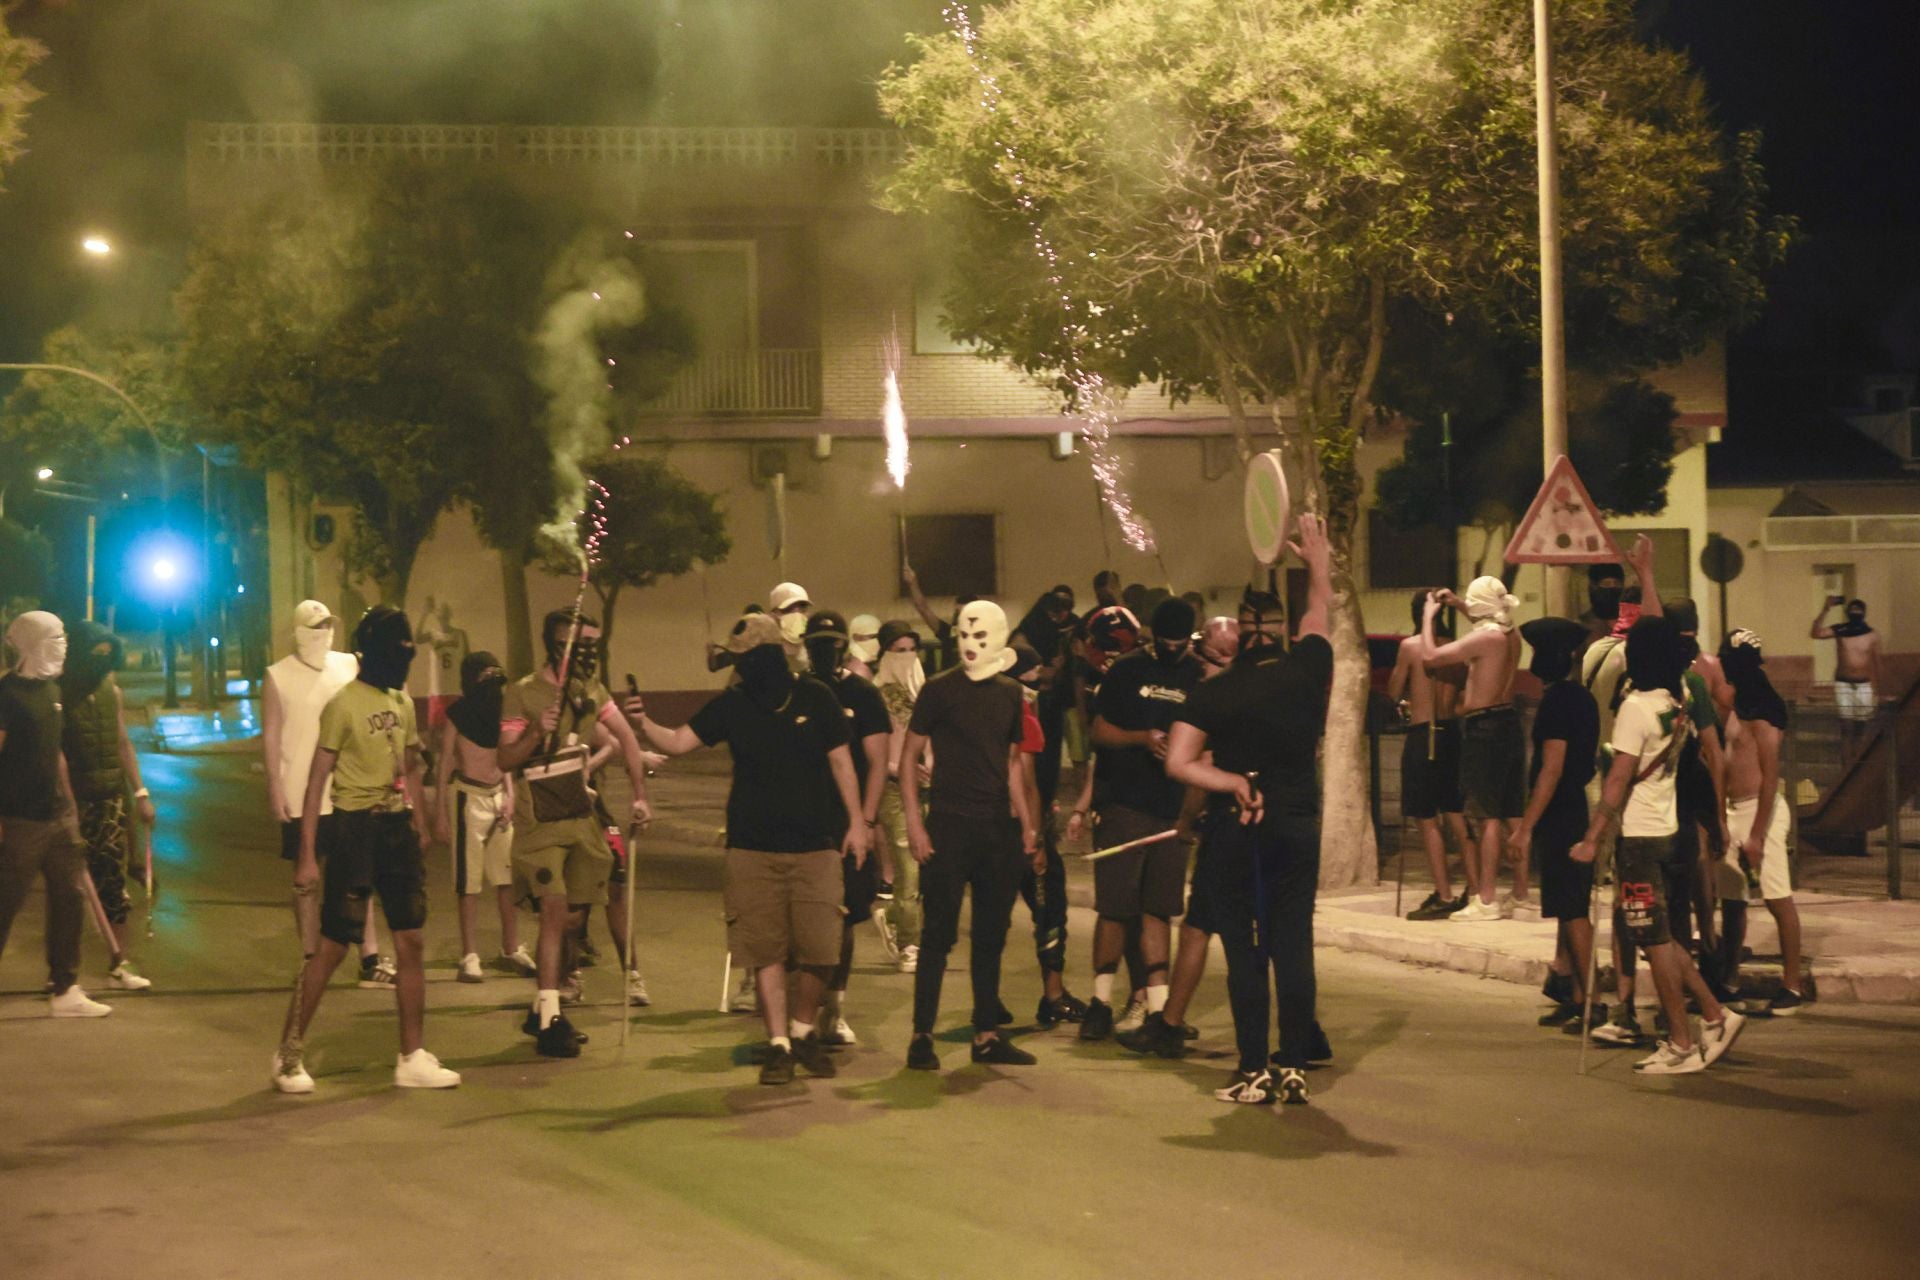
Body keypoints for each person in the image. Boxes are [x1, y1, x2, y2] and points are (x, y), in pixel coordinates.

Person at [627, 613, 868, 1085]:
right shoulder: (733, 704)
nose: (738, 667)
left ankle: (803, 1031)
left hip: (816, 844)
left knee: (823, 948)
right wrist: (641, 722)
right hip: (751, 848)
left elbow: (842, 762)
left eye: (744, 658)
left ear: (769, 655)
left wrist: (857, 822)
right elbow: (678, 743)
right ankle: (780, 1043)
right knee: (765, 950)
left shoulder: (815, 697)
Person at [1162, 516, 1334, 1105]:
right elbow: (1321, 611)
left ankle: (1253, 1068)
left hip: (1242, 827)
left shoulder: (1214, 691)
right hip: (1299, 823)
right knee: (1294, 945)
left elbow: (1180, 763)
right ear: (1282, 629)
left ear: (1237, 632)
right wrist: (1316, 563)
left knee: (1245, 950)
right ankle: (1294, 1068)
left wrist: (1230, 778)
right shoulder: (1311, 668)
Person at [272, 606, 459, 1092]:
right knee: (333, 948)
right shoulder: (342, 703)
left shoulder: (402, 702)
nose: (403, 661)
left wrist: (420, 822)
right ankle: (288, 1055)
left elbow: (411, 767)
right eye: (397, 652)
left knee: (411, 940)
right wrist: (309, 854)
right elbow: (317, 782)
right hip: (355, 829)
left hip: (395, 829)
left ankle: (411, 1056)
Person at [1570, 616, 1746, 1075]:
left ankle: (1682, 1041)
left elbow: (1618, 779)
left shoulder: (1635, 709)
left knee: (1655, 941)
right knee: (1663, 937)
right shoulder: (1679, 699)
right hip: (1673, 833)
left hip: (1641, 839)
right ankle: (1713, 1015)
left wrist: (1592, 839)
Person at [497, 608, 653, 1059]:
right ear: (556, 645)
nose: (589, 653)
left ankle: (540, 1005)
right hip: (539, 818)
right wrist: (534, 732)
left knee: (573, 919)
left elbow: (625, 738)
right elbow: (505, 760)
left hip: (580, 816)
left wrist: (639, 795)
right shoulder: (522, 694)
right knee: (553, 910)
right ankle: (550, 1019)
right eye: (579, 644)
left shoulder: (592, 690)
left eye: (594, 645)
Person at [898, 599, 1044, 1071]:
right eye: (964, 636)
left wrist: (1026, 825)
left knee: (990, 935)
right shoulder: (939, 690)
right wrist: (916, 825)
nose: (970, 646)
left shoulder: (1010, 695)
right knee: (938, 934)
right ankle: (922, 1034)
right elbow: (907, 761)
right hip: (948, 825)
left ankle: (986, 1033)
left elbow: (1013, 765)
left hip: (995, 831)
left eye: (980, 637)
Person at [1077, 598, 1203, 1042]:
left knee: (1159, 910)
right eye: (1165, 641)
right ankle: (1100, 1003)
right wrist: (1141, 738)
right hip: (1124, 804)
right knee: (1114, 909)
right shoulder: (1127, 670)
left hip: (1171, 810)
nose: (1173, 649)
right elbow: (1098, 732)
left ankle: (1156, 1008)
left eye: (1181, 642)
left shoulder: (1198, 675)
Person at [263, 600, 394, 986]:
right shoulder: (278, 676)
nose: (324, 632)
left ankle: (369, 956)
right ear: (300, 631)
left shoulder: (349, 665)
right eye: (316, 626)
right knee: (307, 878)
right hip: (301, 790)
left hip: (350, 789)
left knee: (359, 874)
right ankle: (309, 956)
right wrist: (274, 785)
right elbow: (271, 736)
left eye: (328, 624)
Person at [0, 612, 113, 1018]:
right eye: (55, 637)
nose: (63, 645)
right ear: (31, 643)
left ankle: (65, 988)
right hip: (19, 821)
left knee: (70, 898)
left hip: (58, 818)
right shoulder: (7, 695)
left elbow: (56, 755)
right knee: (5, 903)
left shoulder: (53, 691)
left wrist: (70, 807)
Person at [802, 610, 892, 1045]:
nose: (825, 652)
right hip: (803, 818)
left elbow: (877, 762)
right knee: (800, 918)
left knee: (845, 919)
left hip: (847, 822)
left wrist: (868, 819)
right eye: (816, 644)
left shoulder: (863, 694)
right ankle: (798, 1009)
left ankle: (835, 1008)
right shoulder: (796, 692)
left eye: (832, 644)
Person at [59, 620, 159, 990]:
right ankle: (63, 973)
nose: (102, 661)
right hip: (74, 804)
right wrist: (67, 806)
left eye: (107, 654)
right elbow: (57, 756)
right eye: (95, 654)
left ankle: (120, 963)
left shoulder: (110, 692)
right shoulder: (60, 694)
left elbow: (122, 743)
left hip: (111, 802)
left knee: (113, 886)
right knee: (68, 889)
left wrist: (140, 793)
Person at [1510, 617, 1600, 1027]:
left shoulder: (1556, 703)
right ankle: (1576, 994)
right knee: (1567, 905)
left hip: (1560, 813)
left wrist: (1526, 827)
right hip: (1573, 807)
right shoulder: (1580, 697)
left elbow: (1551, 767)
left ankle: (1592, 999)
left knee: (1575, 907)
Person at [1420, 576, 1526, 920]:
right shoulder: (1511, 635)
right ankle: (1521, 892)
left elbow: (1432, 656)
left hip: (1485, 728)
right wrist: (1458, 604)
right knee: (1513, 812)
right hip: (1510, 721)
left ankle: (1487, 898)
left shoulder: (1485, 639)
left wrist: (1428, 616)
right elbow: (1486, 620)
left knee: (1487, 816)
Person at [1716, 629, 1805, 1014]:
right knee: (1733, 903)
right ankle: (1727, 980)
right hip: (1735, 810)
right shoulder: (1736, 704)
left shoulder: (1766, 711)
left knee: (1776, 898)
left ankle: (1792, 986)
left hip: (1761, 813)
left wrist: (1756, 835)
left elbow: (1770, 777)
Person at [433, 652, 524, 984]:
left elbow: (507, 756)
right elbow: (444, 761)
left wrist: (510, 794)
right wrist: (440, 813)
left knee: (506, 878)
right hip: (467, 798)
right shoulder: (458, 713)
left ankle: (511, 947)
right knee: (468, 882)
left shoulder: (503, 712)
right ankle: (469, 955)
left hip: (498, 796)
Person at [1388, 591, 1473, 920]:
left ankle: (1444, 893)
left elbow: (1394, 691)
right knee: (1457, 814)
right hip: (1452, 733)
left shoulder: (1410, 647)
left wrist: (1409, 693)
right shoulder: (1456, 649)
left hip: (1424, 735)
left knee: (1427, 819)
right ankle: (1476, 888)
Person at [873, 620, 927, 974]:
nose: (907, 657)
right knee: (907, 867)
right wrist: (897, 768)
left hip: (928, 785)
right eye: (899, 650)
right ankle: (910, 944)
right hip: (893, 789)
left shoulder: (927, 691)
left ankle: (891, 915)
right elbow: (874, 750)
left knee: (929, 870)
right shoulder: (876, 695)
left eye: (911, 650)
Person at [1811, 597, 1882, 757]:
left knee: (1861, 728)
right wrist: (1825, 609)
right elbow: (1816, 633)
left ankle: (1857, 765)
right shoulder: (1841, 630)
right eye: (1852, 610)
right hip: (1843, 684)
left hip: (1864, 685)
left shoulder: (1872, 635)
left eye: (1858, 610)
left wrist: (1879, 689)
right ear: (1847, 612)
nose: (1855, 612)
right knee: (1845, 727)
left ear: (1864, 612)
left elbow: (1877, 662)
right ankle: (1845, 767)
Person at [846, 613, 882, 681]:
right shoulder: (854, 669)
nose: (878, 641)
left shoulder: (877, 663)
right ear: (856, 637)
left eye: (879, 636)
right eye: (873, 636)